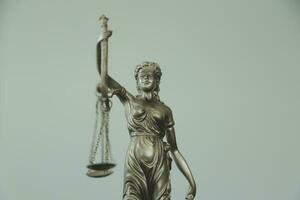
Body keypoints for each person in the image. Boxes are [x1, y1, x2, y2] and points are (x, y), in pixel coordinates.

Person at [97, 61, 196, 200]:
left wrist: (191, 182)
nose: (146, 78)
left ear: (157, 80)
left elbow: (174, 149)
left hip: (159, 162)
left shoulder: (165, 110)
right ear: (137, 81)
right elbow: (103, 74)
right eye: (142, 75)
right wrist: (101, 42)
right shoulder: (129, 100)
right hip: (135, 160)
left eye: (150, 75)